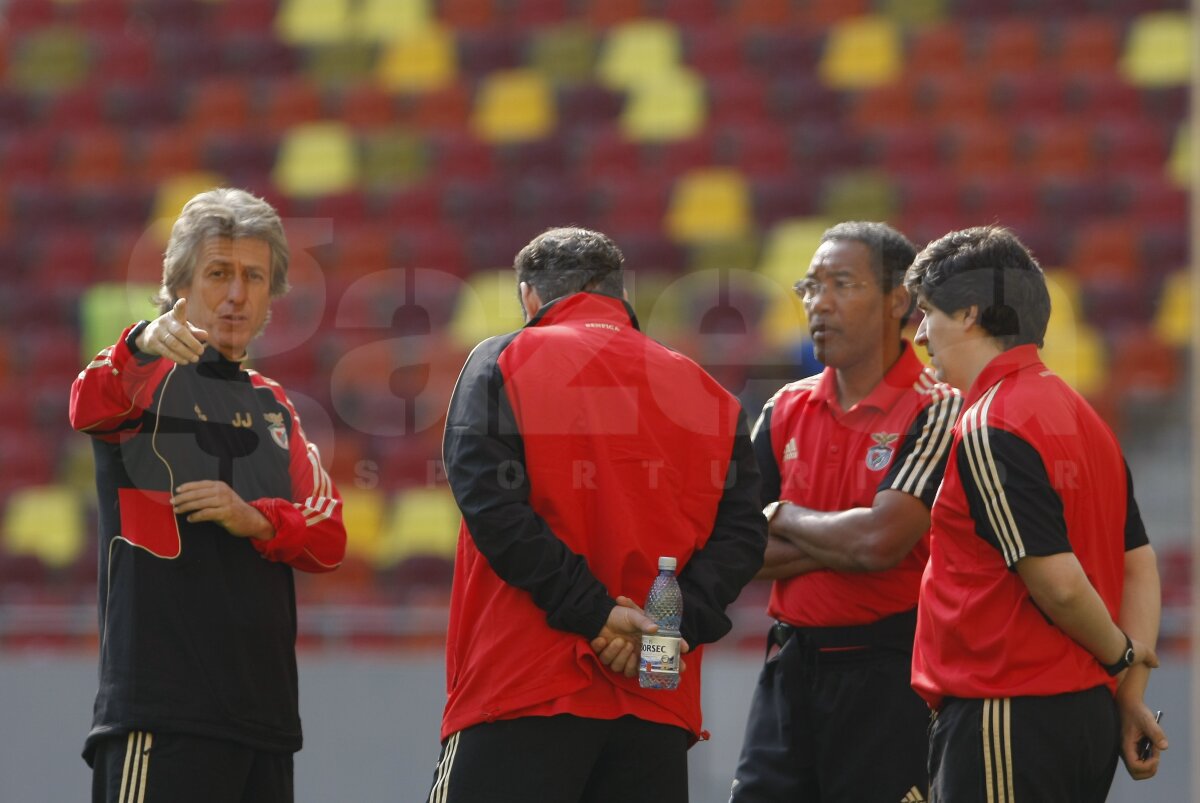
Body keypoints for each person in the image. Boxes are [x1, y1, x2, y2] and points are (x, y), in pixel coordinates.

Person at [429, 226, 767, 803]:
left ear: (531, 299)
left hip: (521, 685)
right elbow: (743, 534)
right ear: (618, 294)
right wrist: (667, 631)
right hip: (656, 696)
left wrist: (594, 615)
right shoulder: (709, 391)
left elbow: (489, 503)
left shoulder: (502, 357)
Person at [69, 188, 347, 803]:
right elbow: (87, 403)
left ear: (273, 294)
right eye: (218, 273)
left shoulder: (276, 407)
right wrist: (143, 340)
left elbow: (329, 539)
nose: (236, 295)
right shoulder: (137, 377)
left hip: (265, 718)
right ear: (180, 284)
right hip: (160, 713)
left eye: (254, 276)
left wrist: (256, 518)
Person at [905, 225, 1166, 800]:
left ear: (970, 311)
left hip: (1007, 713)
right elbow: (1140, 562)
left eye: (927, 312)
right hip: (1081, 719)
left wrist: (1120, 655)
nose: (921, 335)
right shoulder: (1082, 416)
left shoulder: (988, 423)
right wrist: (1127, 689)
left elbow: (1059, 587)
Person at [729, 221, 962, 803]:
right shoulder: (785, 405)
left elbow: (880, 544)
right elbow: (732, 545)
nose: (818, 303)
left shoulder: (937, 409)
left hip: (891, 671)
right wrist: (842, 536)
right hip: (789, 662)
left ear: (897, 301)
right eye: (809, 287)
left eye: (841, 283)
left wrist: (781, 515)